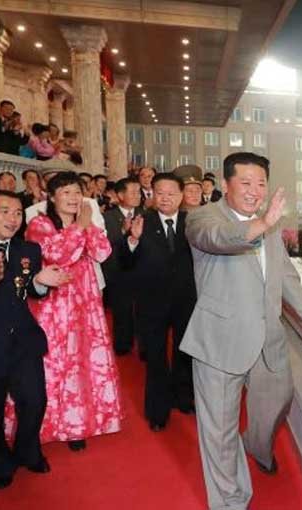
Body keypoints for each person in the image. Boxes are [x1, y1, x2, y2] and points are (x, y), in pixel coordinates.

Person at [182, 152, 302, 510]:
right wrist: (262, 224)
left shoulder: (269, 223)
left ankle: (256, 445)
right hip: (220, 341)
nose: (254, 191)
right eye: (245, 182)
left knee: (278, 399)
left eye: (261, 183)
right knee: (220, 431)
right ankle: (231, 501)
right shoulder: (203, 217)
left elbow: (284, 275)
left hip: (267, 338)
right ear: (225, 183)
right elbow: (219, 238)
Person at [22, 171, 123, 450]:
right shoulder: (40, 223)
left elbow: (102, 253)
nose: (73, 197)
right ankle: (47, 423)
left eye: (77, 192)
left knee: (83, 359)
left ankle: (77, 424)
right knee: (53, 362)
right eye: (65, 192)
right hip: (53, 305)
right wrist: (80, 226)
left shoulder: (85, 221)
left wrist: (87, 226)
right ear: (52, 197)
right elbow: (57, 254)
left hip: (85, 302)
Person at [0, 191, 69, 489]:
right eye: (5, 211)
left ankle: (27, 451)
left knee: (34, 400)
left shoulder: (29, 249)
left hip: (24, 340)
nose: (13, 219)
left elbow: (30, 290)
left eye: (18, 213)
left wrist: (39, 282)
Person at [119, 173, 196, 430]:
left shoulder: (192, 223)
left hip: (186, 300)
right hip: (152, 302)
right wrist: (132, 239)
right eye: (159, 193)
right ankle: (157, 412)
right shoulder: (142, 221)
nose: (165, 198)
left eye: (171, 193)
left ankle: (183, 398)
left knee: (185, 353)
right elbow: (125, 262)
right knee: (155, 357)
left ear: (181, 196)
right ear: (151, 195)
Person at [102, 177, 143, 357]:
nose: (138, 195)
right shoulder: (107, 217)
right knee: (122, 310)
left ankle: (144, 347)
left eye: (139, 192)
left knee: (144, 311)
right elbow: (104, 245)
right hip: (117, 270)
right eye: (133, 192)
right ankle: (123, 345)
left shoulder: (146, 214)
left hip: (141, 270)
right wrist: (123, 232)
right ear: (120, 195)